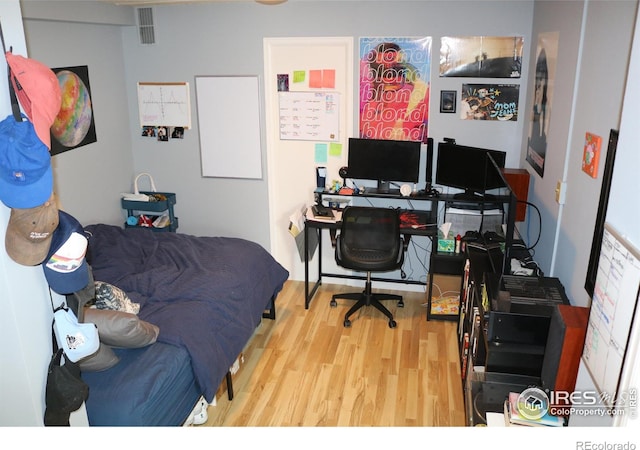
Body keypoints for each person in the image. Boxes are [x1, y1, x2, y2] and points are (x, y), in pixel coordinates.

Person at [359, 42, 429, 142]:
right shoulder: (367, 100)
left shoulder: (419, 94)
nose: (390, 76)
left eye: (396, 68)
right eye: (382, 70)